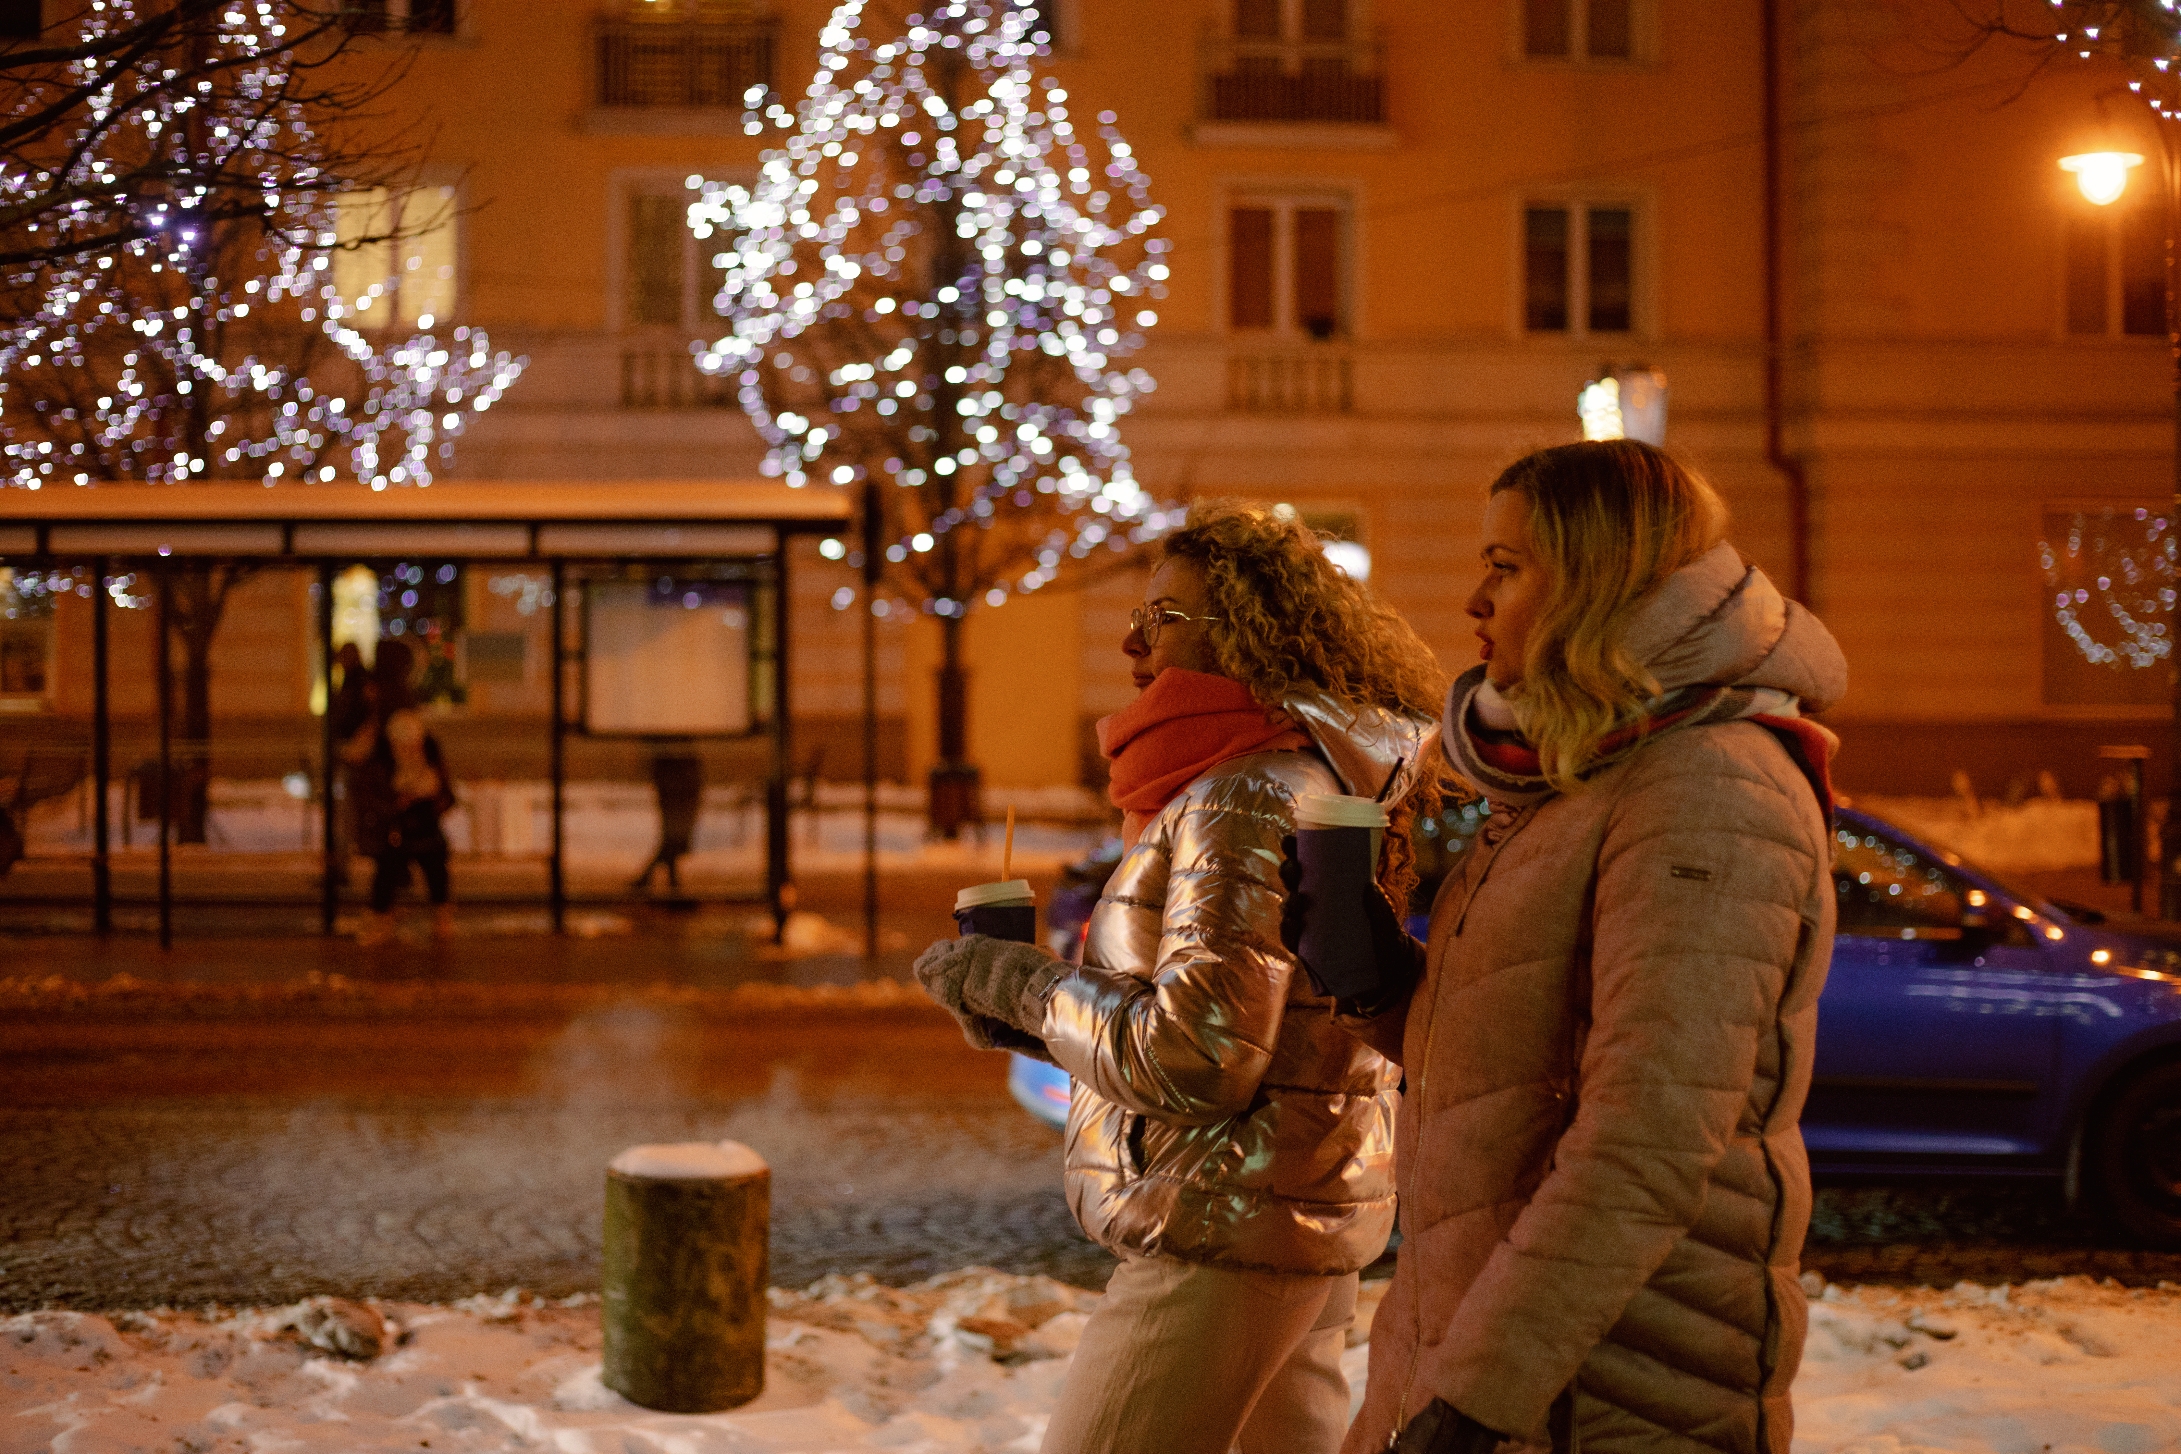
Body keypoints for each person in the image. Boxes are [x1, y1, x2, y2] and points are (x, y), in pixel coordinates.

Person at [1334, 441, 1847, 1454]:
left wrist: (1474, 1398)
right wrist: (1378, 983)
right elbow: (1529, 1063)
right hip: (1481, 1345)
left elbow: (1645, 1143)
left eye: (1508, 564)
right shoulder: (1575, 770)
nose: (1475, 596)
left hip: (1611, 1391)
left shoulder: (1706, 787)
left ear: (1597, 583)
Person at [914, 502, 1445, 1454]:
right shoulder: (1293, 774)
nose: (1129, 637)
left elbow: (1198, 1057)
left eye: (1162, 618)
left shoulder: (1244, 789)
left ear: (1245, 632)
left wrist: (1019, 983)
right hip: (1276, 1211)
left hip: (1221, 1230)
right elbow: (1251, 1025)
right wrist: (1038, 1023)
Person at [344, 639, 457, 946]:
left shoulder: (384, 704)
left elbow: (372, 752)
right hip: (416, 796)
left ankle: (384, 918)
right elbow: (427, 750)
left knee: (395, 858)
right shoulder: (402, 703)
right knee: (423, 857)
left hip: (403, 796)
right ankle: (438, 916)